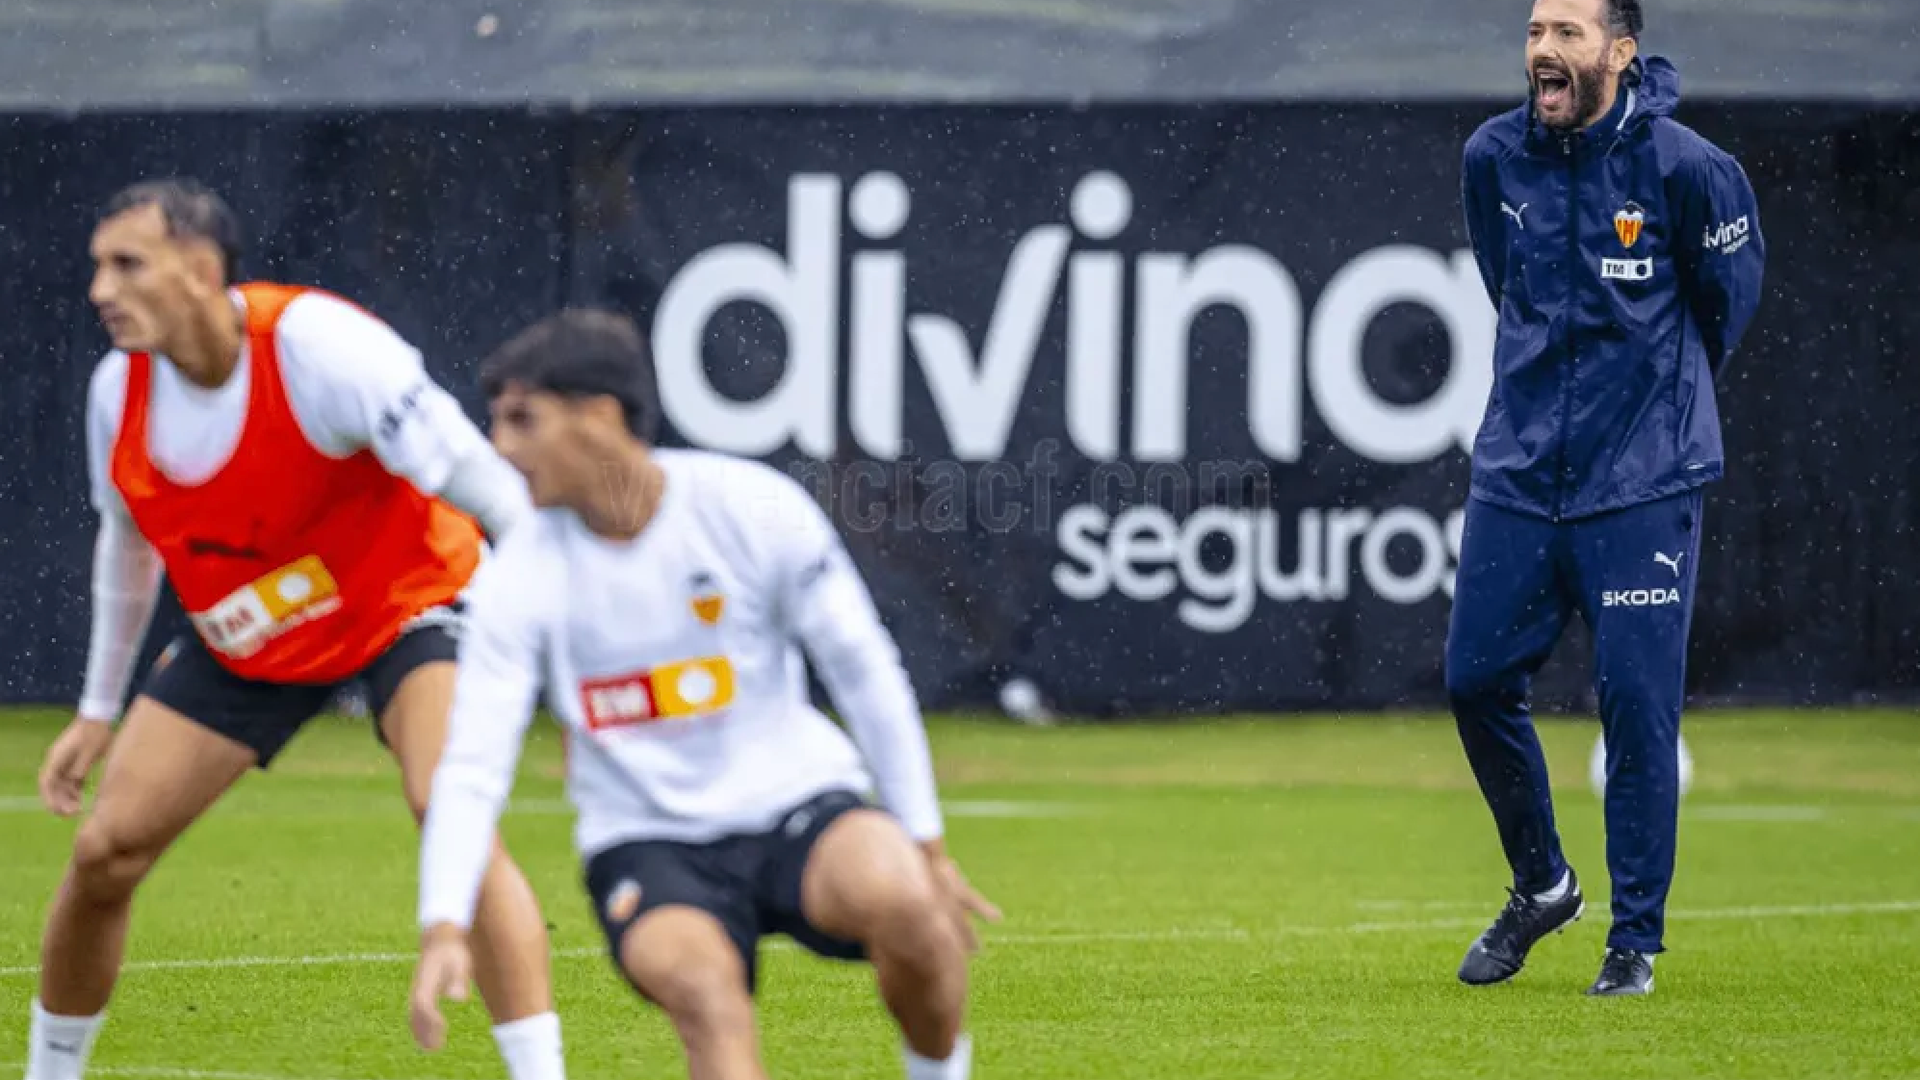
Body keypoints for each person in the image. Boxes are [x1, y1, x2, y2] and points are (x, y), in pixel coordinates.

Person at [26, 179, 568, 1080]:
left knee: (451, 813)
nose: (100, 290)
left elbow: (495, 492)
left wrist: (578, 639)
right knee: (103, 852)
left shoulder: (324, 350)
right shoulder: (114, 392)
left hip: (408, 599)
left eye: (127, 264)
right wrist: (95, 706)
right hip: (249, 630)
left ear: (201, 271)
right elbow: (127, 546)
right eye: (96, 267)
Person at [407, 309, 999, 1080]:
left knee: (913, 909)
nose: (501, 448)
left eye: (524, 420)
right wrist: (444, 924)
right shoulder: (521, 573)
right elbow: (474, 762)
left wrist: (925, 842)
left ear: (599, 416)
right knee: (704, 992)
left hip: (798, 805)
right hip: (649, 844)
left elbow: (863, 670)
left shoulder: (752, 508)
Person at [1448, 0, 1765, 997]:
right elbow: (1510, 289)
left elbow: (1724, 309)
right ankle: (1541, 883)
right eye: (1537, 29)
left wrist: (1644, 415)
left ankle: (1634, 943)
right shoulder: (1493, 156)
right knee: (1473, 680)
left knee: (1635, 711)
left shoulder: (1691, 170)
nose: (1545, 48)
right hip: (1519, 473)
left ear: (1621, 53)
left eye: (1569, 33)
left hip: (1642, 485)